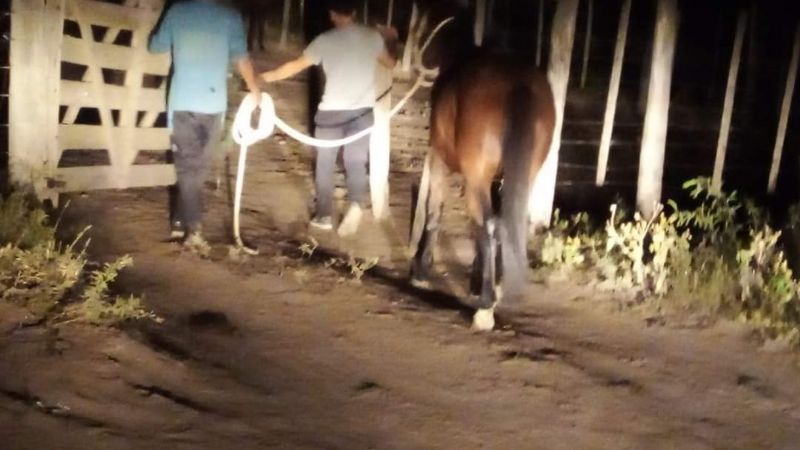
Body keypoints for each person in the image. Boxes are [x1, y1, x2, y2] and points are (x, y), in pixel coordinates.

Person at [260, 0, 398, 236]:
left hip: (331, 112)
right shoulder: (372, 37)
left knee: (324, 164)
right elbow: (390, 63)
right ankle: (355, 203)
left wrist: (265, 77)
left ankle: (324, 215)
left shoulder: (325, 40)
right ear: (353, 11)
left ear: (332, 14)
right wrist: (391, 40)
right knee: (355, 162)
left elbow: (294, 66)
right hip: (363, 112)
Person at [149, 0, 261, 255]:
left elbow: (156, 47)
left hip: (183, 103)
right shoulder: (230, 16)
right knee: (197, 166)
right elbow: (241, 57)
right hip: (213, 105)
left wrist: (155, 35)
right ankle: (187, 225)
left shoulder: (177, 11)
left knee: (189, 167)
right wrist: (254, 90)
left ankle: (189, 227)